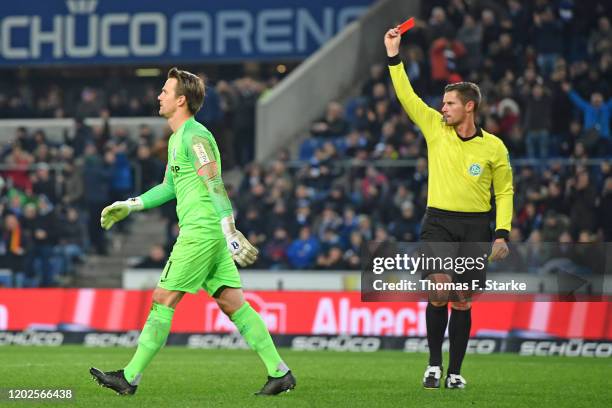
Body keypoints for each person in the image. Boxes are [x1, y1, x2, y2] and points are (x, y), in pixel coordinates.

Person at [90, 68, 296, 396]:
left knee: (162, 299)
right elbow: (169, 186)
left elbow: (214, 182)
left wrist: (229, 228)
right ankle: (279, 372)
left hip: (201, 232)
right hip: (208, 233)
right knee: (234, 304)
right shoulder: (177, 138)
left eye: (165, 91)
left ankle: (129, 378)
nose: (159, 96)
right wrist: (130, 205)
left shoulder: (195, 136)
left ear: (181, 100)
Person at [384, 26, 513, 389]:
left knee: (461, 299)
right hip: (438, 222)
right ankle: (433, 364)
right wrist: (394, 57)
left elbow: (504, 192)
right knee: (439, 289)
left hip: (476, 228)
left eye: (450, 104)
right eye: (443, 104)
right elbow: (407, 97)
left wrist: (501, 233)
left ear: (469, 106)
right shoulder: (434, 128)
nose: (443, 109)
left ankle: (455, 371)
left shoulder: (494, 148)